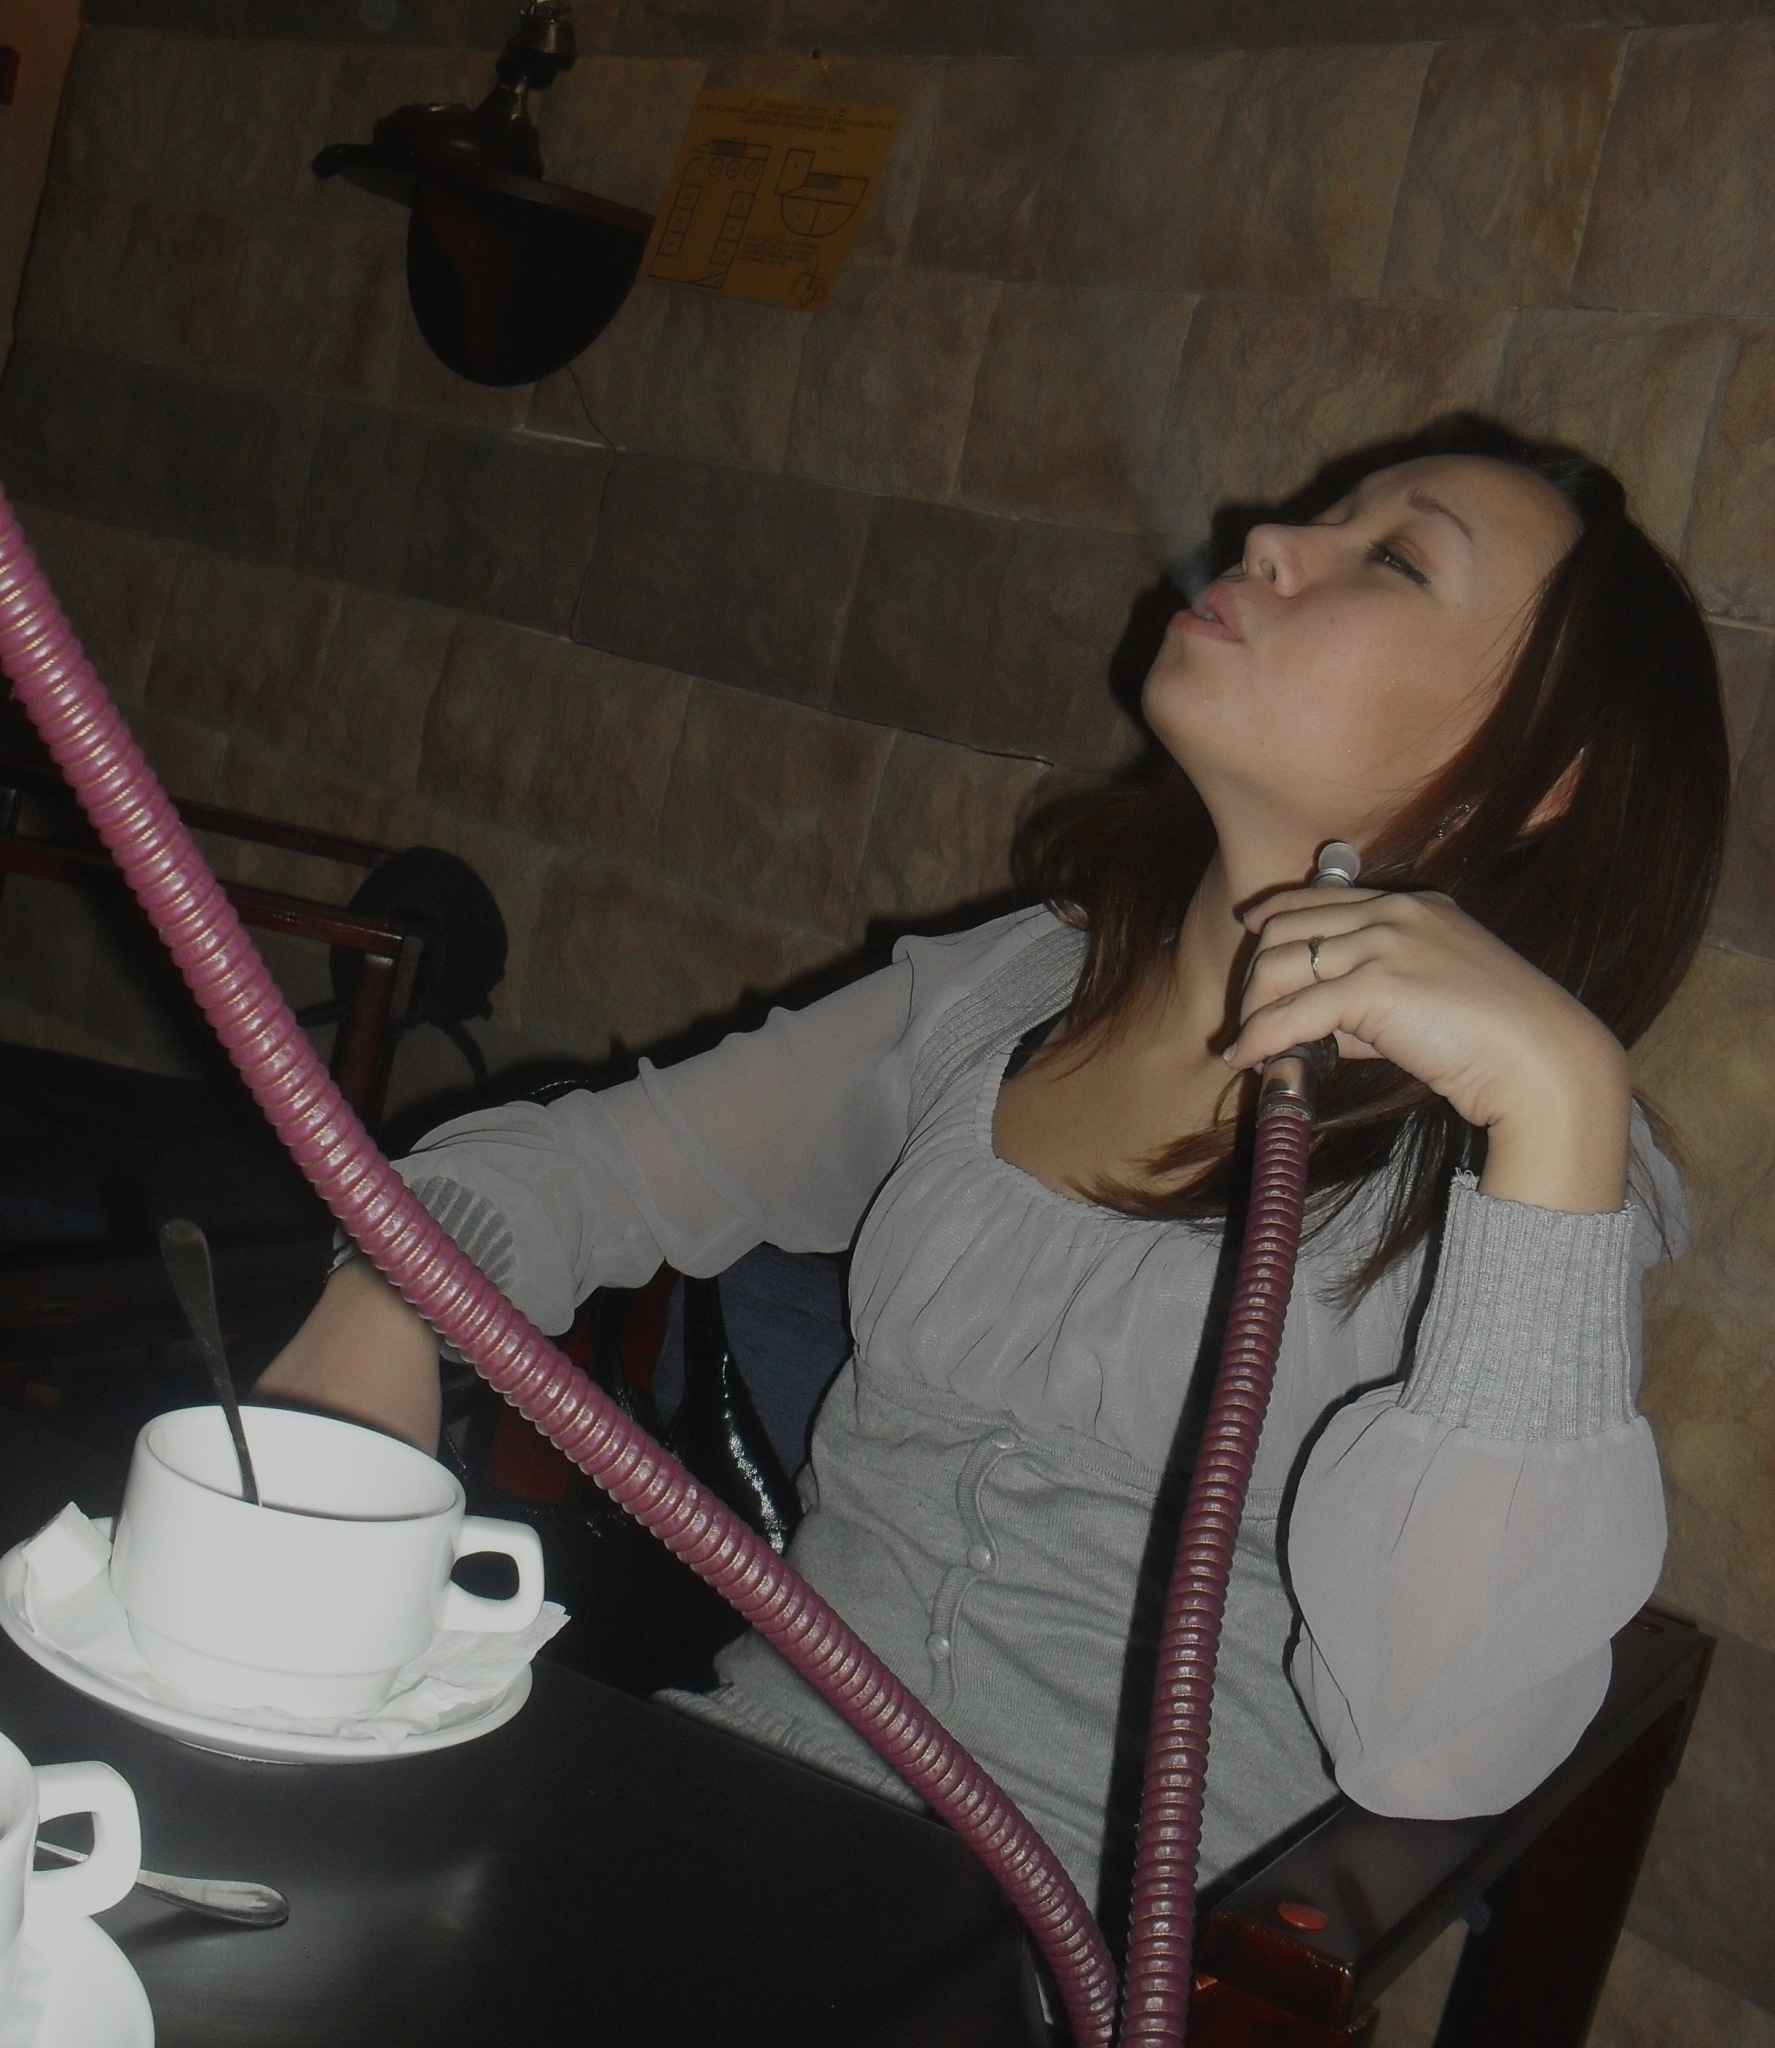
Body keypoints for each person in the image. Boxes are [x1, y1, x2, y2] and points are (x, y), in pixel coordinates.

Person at [257, 415, 1729, 1915]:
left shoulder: (1520, 1181)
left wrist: (1561, 1103)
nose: (1273, 539)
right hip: (726, 1827)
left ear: (1539, 784)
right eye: (1328, 513)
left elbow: (1448, 1751)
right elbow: (597, 1166)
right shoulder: (1014, 990)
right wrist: (388, 1297)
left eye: (1396, 559)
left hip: (1081, 1961)